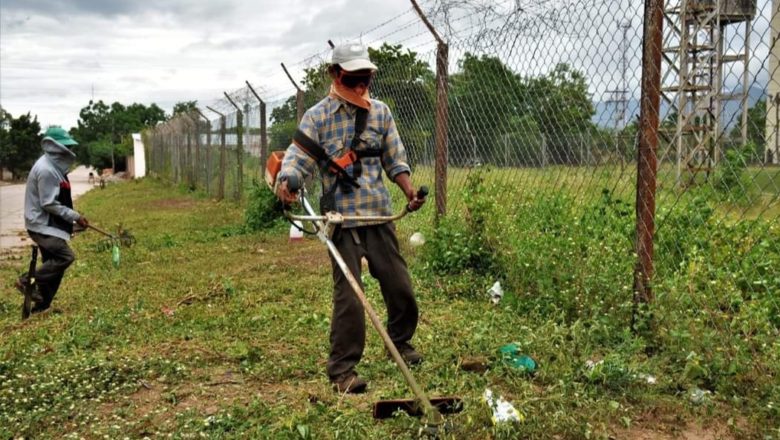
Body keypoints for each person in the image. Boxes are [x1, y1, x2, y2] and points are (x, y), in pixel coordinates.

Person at [275, 43, 426, 394]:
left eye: (366, 78)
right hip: (340, 219)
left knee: (399, 286)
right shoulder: (317, 116)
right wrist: (288, 181)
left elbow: (395, 159)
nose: (361, 86)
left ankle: (400, 343)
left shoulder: (381, 113)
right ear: (335, 75)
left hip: (378, 214)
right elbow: (297, 158)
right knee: (350, 295)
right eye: (353, 78)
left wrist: (407, 192)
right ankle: (343, 370)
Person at [15, 126, 88, 314]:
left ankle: (42, 305)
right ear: (57, 148)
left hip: (48, 223)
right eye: (67, 146)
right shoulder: (46, 169)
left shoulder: (54, 168)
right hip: (40, 225)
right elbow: (49, 203)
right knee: (65, 257)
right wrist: (75, 216)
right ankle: (26, 281)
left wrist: (73, 224)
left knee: (54, 266)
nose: (70, 150)